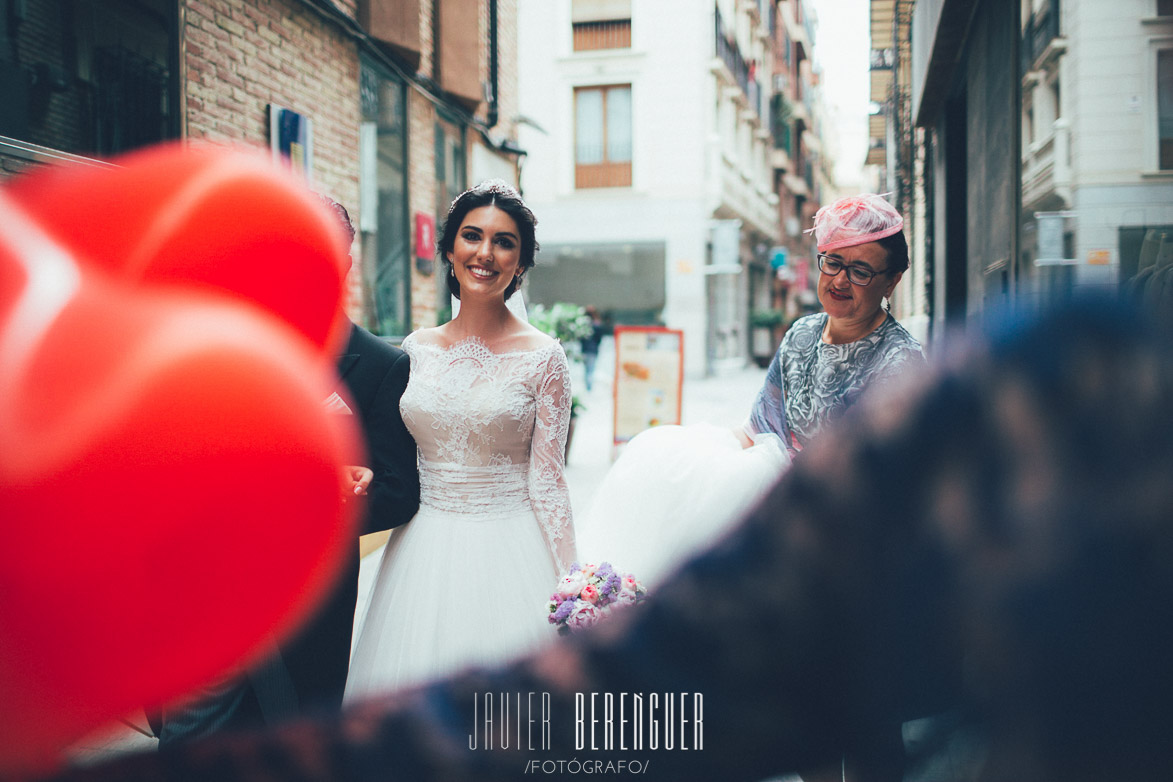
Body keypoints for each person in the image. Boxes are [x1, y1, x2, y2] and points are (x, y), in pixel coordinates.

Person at [49, 299, 1173, 782]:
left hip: (512, 550)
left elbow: (556, 493)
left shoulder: (1066, 384)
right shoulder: (403, 356)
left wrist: (566, 564)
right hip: (439, 557)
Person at [152, 198, 421, 744]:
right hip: (209, 594)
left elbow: (398, 491)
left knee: (293, 745)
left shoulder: (381, 364)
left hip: (309, 603)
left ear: (346, 263)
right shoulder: (229, 343)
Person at [343, 180, 576, 699]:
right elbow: (395, 459)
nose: (485, 254)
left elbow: (549, 480)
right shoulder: (416, 350)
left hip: (510, 546)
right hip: (421, 551)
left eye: (504, 242)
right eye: (472, 236)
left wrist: (572, 581)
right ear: (449, 248)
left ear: (521, 261)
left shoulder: (544, 357)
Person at [744, 193, 925, 455]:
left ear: (891, 282)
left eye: (860, 272)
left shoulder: (901, 361)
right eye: (833, 263)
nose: (839, 281)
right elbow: (759, 428)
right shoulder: (801, 333)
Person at [580, 306, 605, 392]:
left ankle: (588, 387)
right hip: (593, 350)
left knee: (587, 370)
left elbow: (581, 338)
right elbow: (599, 339)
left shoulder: (583, 324)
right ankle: (589, 388)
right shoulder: (596, 325)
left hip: (585, 350)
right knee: (590, 370)